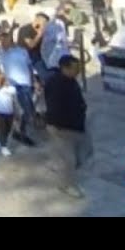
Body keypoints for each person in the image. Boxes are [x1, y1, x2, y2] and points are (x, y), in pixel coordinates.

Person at [44, 55, 92, 198]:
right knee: (69, 159)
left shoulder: (71, 81)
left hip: (76, 125)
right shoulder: (56, 84)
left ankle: (60, 167)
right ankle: (67, 185)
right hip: (62, 127)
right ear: (65, 68)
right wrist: (57, 125)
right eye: (74, 68)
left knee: (84, 152)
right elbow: (53, 106)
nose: (77, 71)